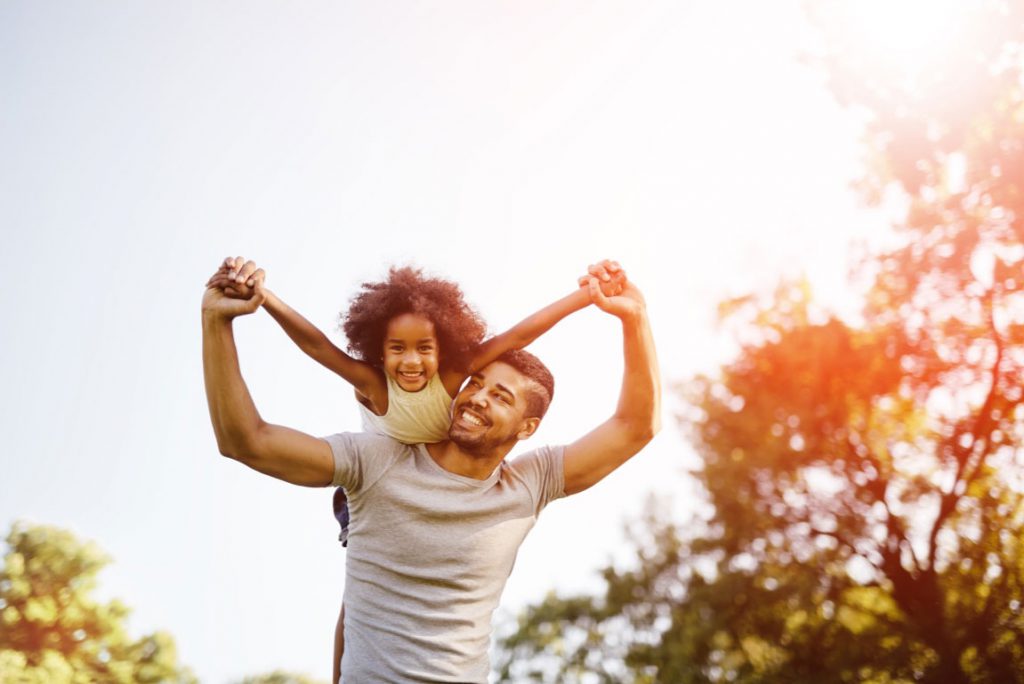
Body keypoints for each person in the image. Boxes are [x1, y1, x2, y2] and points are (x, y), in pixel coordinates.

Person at [201, 258, 660, 682]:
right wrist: (217, 323)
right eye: (476, 384)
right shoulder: (377, 460)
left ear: (528, 427)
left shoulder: (528, 484)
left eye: (501, 397)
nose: (478, 397)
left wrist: (634, 318)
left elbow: (635, 426)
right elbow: (247, 441)